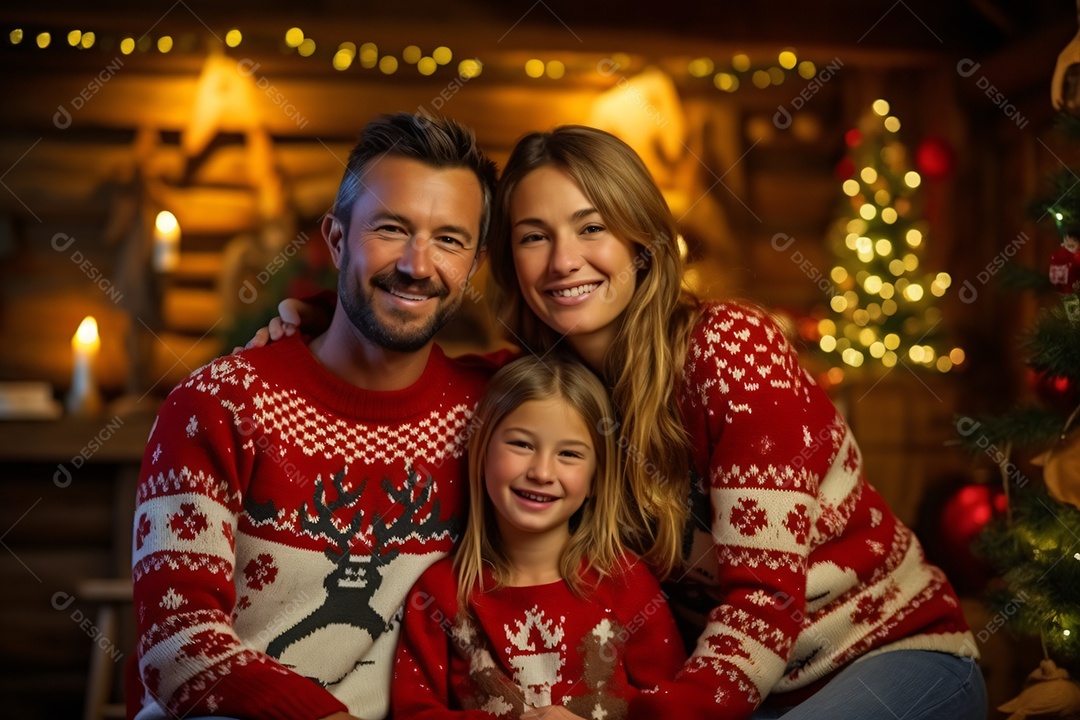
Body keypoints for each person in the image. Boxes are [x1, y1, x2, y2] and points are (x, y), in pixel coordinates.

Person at [266, 124, 987, 719]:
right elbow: (438, 378)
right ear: (510, 262)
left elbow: (764, 604)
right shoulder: (559, 388)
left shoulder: (729, 353)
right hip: (736, 689)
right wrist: (331, 326)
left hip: (884, 657)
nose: (564, 261)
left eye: (592, 228)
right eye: (534, 236)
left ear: (642, 244)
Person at [128, 113, 499, 720]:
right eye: (391, 228)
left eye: (449, 240)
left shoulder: (496, 415)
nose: (417, 264)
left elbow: (602, 377)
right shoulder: (216, 405)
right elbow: (176, 643)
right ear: (336, 238)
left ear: (475, 263)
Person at [392, 355, 685, 719]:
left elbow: (674, 708)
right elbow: (414, 712)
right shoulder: (440, 593)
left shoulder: (627, 583)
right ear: (481, 454)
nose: (542, 472)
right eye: (522, 445)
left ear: (596, 479)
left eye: (569, 453)